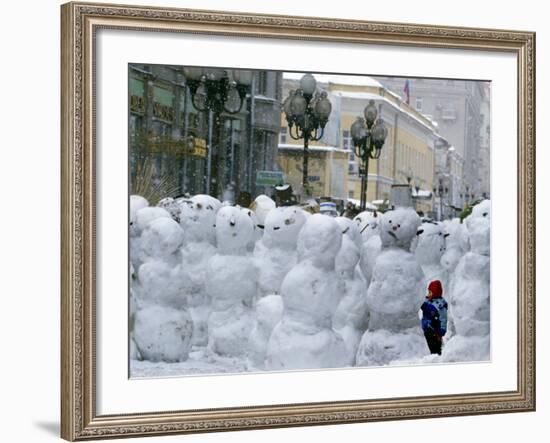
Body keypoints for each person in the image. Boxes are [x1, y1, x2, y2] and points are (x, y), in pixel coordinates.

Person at [420, 280, 448, 355]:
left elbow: (443, 318)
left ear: (435, 293)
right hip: (427, 328)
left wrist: (442, 330)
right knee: (429, 345)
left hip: (434, 330)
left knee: (435, 348)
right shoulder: (428, 300)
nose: (428, 294)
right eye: (428, 292)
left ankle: (436, 358)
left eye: (430, 292)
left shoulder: (440, 304)